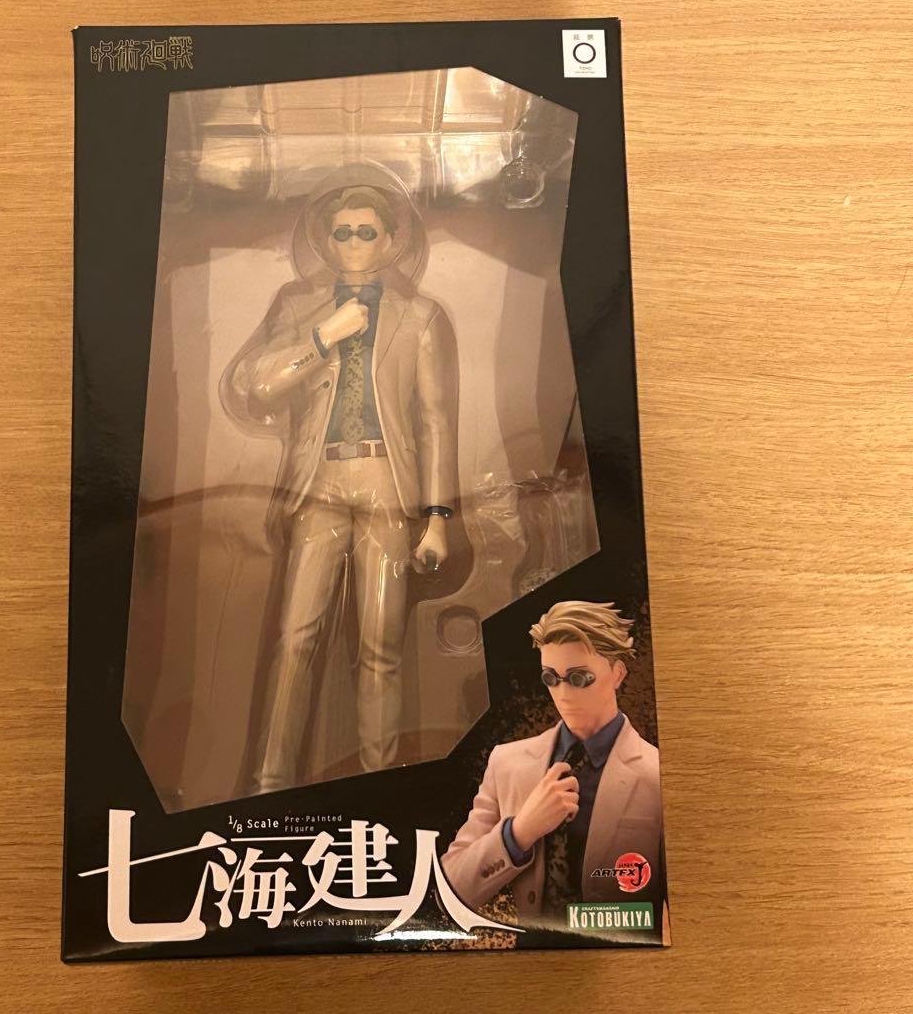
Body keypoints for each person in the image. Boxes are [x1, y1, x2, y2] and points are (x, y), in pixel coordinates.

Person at [227, 179, 459, 794]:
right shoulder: (298, 308)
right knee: (294, 638)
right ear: (326, 242)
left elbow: (436, 421)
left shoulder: (420, 317)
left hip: (388, 483)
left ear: (390, 241)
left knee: (382, 645)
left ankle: (378, 781)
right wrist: (322, 335)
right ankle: (269, 782)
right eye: (342, 233)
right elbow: (256, 385)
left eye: (366, 232)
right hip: (319, 481)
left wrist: (437, 517)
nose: (353, 243)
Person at [440, 601, 663, 922]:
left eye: (580, 678)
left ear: (617, 674)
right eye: (550, 677)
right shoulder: (507, 763)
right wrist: (518, 833)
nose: (563, 693)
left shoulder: (656, 773)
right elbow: (449, 890)